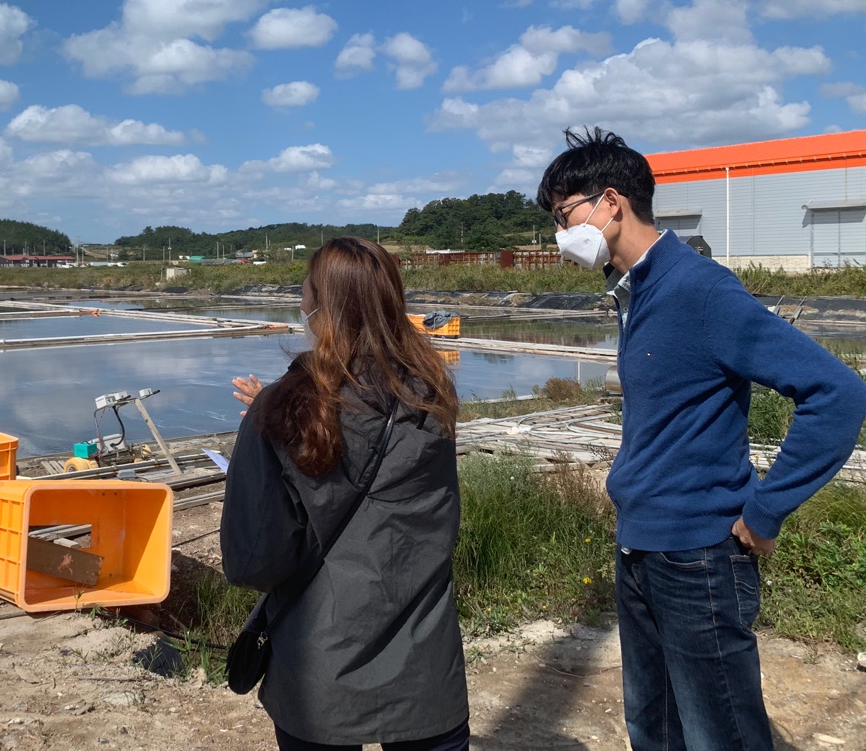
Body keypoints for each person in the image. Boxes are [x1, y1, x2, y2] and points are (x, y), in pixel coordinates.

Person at [537, 128, 866, 751]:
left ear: (611, 203)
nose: (560, 234)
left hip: (699, 561)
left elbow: (839, 394)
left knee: (721, 735)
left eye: (564, 215)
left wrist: (766, 510)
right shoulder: (635, 293)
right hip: (640, 549)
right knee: (654, 728)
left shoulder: (700, 291)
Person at [220, 237, 469, 751]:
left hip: (319, 667)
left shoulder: (284, 407)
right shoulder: (431, 393)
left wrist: (273, 411)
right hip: (425, 668)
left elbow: (253, 560)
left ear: (319, 307)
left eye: (306, 293)